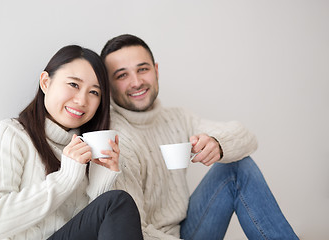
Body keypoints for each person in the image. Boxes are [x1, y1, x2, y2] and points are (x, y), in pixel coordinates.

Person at [100, 34, 299, 240]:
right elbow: (133, 232)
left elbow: (247, 137)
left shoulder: (177, 117)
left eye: (143, 69)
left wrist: (218, 145)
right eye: (122, 75)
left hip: (187, 231)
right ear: (108, 84)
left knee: (237, 166)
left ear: (156, 70)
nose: (137, 82)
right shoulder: (113, 139)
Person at [0, 45, 144, 240]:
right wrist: (65, 179)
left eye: (94, 92)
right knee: (116, 201)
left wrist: (101, 180)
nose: (81, 100)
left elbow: (89, 230)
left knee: (114, 202)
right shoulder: (8, 135)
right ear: (45, 82)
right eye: (74, 85)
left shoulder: (88, 150)